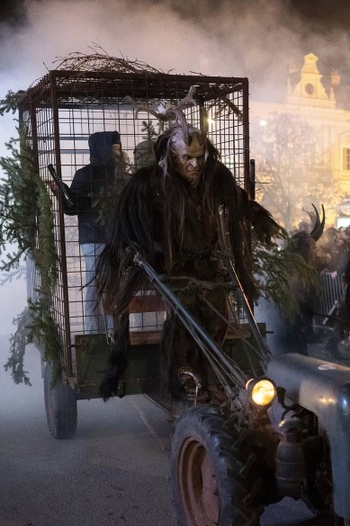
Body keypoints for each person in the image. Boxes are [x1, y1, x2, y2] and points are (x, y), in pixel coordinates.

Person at [95, 118, 279, 403]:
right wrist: (136, 250)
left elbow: (236, 199)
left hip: (206, 263)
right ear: (172, 155)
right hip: (170, 264)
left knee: (217, 320)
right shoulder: (150, 182)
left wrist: (258, 218)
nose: (194, 166)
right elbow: (127, 224)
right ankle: (182, 377)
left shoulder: (213, 176)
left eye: (198, 158)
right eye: (186, 159)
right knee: (186, 317)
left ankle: (209, 379)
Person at [66, 130, 126, 333]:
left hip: (116, 238)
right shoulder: (85, 175)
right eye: (114, 149)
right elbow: (72, 207)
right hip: (94, 238)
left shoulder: (120, 176)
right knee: (96, 285)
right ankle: (94, 334)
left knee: (113, 286)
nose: (119, 153)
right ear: (103, 150)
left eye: (119, 148)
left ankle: (112, 332)